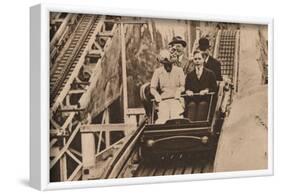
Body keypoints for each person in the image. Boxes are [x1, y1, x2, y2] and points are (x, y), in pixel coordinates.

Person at [150, 49, 185, 124]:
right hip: (163, 100)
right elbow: (152, 88)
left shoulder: (179, 71)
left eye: (169, 64)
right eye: (165, 64)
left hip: (176, 99)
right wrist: (156, 95)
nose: (168, 66)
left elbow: (183, 86)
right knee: (163, 118)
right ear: (163, 64)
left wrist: (179, 91)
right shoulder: (158, 72)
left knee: (176, 117)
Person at [185, 50, 217, 121]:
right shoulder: (190, 75)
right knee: (191, 105)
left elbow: (214, 88)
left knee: (202, 105)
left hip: (205, 99)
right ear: (193, 60)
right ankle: (190, 126)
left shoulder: (210, 74)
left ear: (203, 60)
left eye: (199, 59)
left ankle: (200, 126)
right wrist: (188, 91)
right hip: (193, 99)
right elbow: (186, 87)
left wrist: (207, 90)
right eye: (195, 59)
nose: (197, 61)